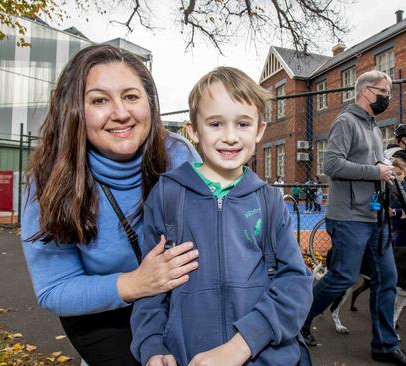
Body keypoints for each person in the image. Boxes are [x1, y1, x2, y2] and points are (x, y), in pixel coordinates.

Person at [20, 44, 201, 366]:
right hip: (102, 313)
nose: (120, 113)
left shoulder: (179, 155)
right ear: (73, 109)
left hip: (178, 301)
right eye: (99, 100)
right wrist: (136, 283)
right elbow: (54, 290)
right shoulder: (48, 180)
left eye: (131, 96)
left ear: (150, 103)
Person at [130, 67, 313, 366]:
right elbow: (150, 287)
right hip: (186, 356)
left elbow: (294, 283)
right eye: (216, 123)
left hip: (261, 357)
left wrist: (244, 343)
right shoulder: (167, 196)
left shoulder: (269, 201)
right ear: (194, 130)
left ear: (259, 130)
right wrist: (152, 346)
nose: (230, 137)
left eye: (242, 123)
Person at [300, 70, 406, 365]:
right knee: (342, 276)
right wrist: (375, 171)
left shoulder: (372, 127)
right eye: (384, 91)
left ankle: (384, 345)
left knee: (387, 277)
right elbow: (331, 164)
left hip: (374, 217)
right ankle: (298, 321)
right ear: (367, 91)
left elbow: (384, 171)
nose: (388, 97)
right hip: (349, 217)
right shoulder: (346, 122)